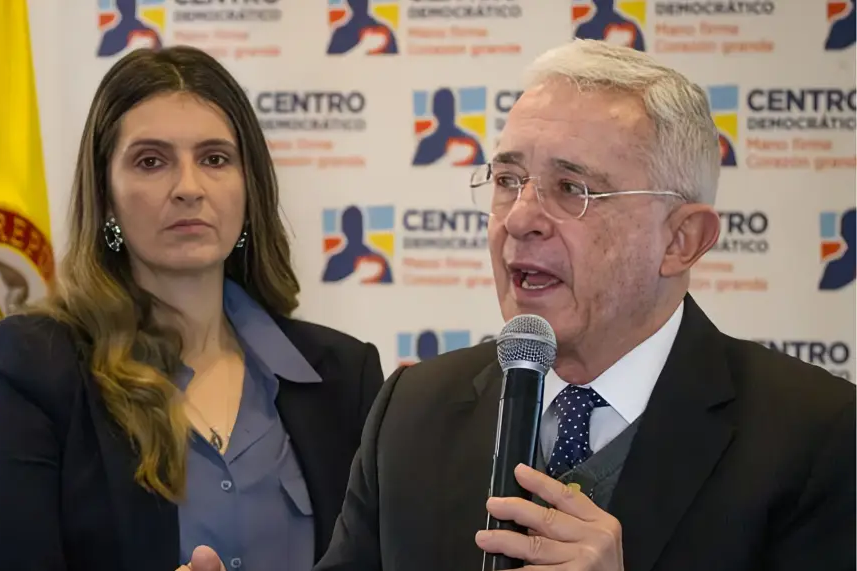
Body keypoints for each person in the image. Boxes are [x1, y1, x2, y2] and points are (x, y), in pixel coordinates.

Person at [314, 39, 857, 571]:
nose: (519, 219)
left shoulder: (817, 435)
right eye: (508, 181)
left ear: (681, 240)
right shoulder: (412, 410)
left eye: (572, 188)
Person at [0, 46, 385, 571]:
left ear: (250, 188)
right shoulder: (35, 366)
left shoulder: (344, 375)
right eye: (151, 161)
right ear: (106, 197)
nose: (188, 188)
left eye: (214, 159)